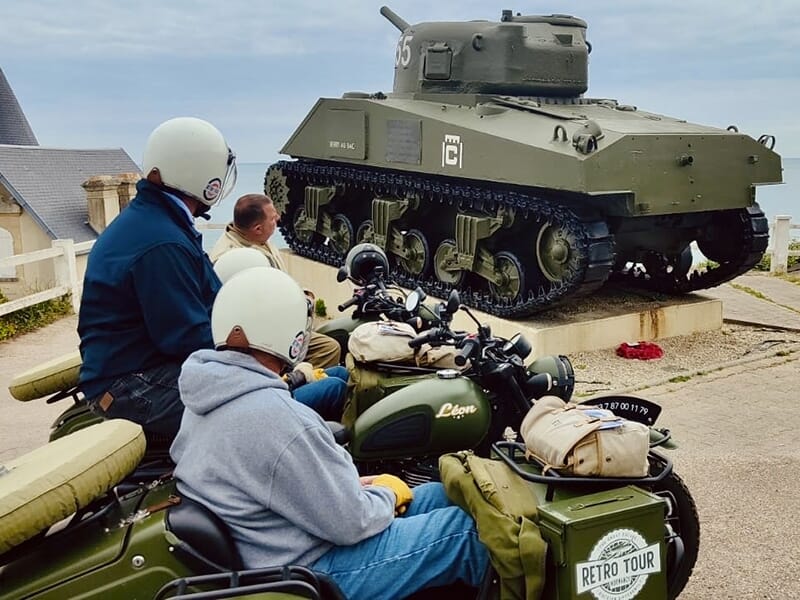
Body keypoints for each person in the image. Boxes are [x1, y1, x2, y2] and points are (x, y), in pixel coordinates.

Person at [170, 267, 489, 600]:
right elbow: (352, 521)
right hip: (311, 568)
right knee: (466, 532)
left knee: (442, 494)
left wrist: (358, 490)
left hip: (267, 542)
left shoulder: (206, 397)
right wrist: (388, 494)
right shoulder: (276, 418)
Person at [78, 116, 237, 439]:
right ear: (202, 171)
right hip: (132, 384)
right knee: (251, 408)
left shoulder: (158, 222)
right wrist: (251, 353)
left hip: (134, 370)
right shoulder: (162, 242)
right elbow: (187, 336)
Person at [213, 247, 347, 422]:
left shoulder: (226, 324)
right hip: (258, 408)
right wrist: (293, 379)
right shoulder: (244, 335)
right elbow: (254, 387)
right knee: (335, 387)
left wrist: (294, 377)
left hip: (258, 394)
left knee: (340, 373)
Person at [209, 193, 341, 368]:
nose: (278, 218)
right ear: (257, 228)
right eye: (272, 218)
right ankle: (290, 388)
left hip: (274, 323)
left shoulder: (256, 239)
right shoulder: (234, 259)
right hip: (260, 337)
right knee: (328, 349)